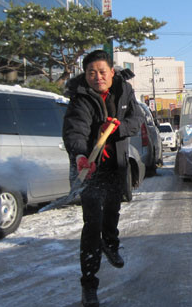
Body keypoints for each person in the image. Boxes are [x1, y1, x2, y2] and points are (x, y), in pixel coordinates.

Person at [62, 50, 143, 307]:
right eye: (91, 73)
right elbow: (75, 130)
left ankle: (111, 243)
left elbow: (137, 119)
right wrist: (80, 155)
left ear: (111, 72)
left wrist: (119, 128)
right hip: (90, 167)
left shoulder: (123, 90)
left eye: (102, 72)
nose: (97, 77)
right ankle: (89, 284)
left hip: (116, 164)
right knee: (92, 224)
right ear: (85, 75)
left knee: (112, 211)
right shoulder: (80, 97)